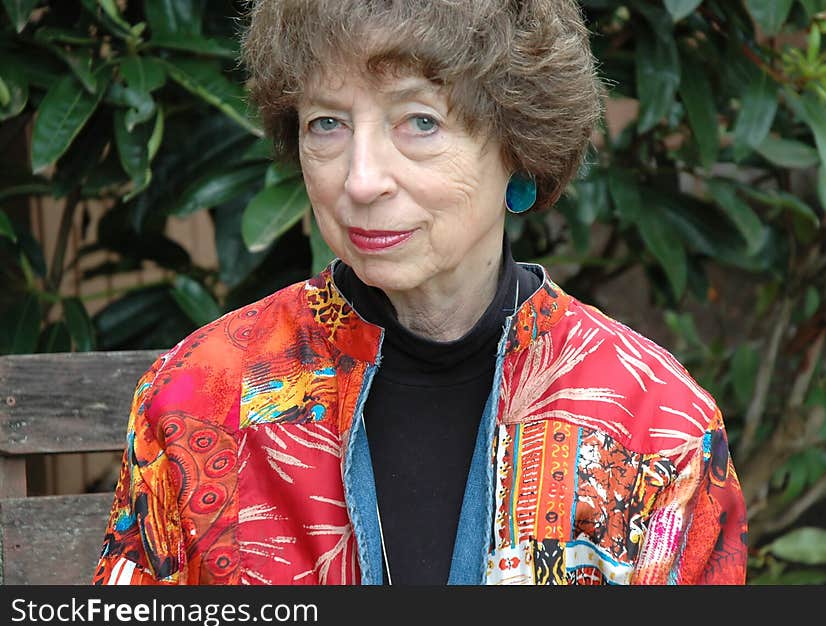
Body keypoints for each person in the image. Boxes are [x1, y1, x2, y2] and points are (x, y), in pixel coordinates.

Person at [92, 0, 747, 586]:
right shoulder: (200, 394)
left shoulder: (658, 426)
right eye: (326, 123)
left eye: (420, 122)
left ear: (519, 144)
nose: (362, 178)